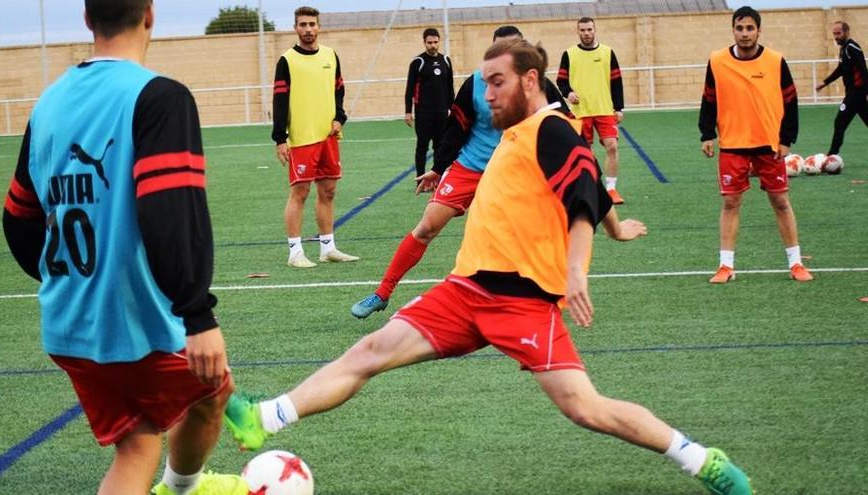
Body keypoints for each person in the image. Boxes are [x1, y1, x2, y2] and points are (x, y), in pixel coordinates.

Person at [225, 39, 752, 495]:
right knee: (370, 351)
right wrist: (617, 227)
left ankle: (702, 460)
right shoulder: (520, 133)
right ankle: (264, 417)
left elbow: (584, 191)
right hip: (464, 292)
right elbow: (588, 188)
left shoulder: (551, 128)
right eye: (484, 83)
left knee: (586, 408)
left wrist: (578, 268)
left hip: (522, 303)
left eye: (497, 83)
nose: (488, 94)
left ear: (530, 79)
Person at [1, 1, 245, 494]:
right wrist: (197, 316)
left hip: (67, 325)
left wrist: (69, 280)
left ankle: (179, 487)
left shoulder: (48, 102)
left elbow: (18, 219)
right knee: (211, 395)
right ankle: (181, 488)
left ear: (88, 20)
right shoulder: (159, 98)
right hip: (131, 327)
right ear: (150, 15)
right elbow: (171, 214)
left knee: (137, 442)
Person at [350, 26, 608, 319]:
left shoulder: (538, 86)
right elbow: (456, 129)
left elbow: (564, 130)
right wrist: (437, 168)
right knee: (426, 227)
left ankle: (532, 302)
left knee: (524, 236)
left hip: (515, 176)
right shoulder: (476, 83)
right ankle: (382, 293)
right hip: (470, 167)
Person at [699, 6, 813, 284]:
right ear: (733, 30)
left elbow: (791, 101)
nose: (745, 33)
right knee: (730, 203)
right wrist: (706, 133)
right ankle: (726, 266)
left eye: (750, 28)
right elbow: (709, 98)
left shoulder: (775, 60)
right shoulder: (717, 60)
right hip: (733, 143)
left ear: (759, 31)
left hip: (769, 144)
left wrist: (786, 139)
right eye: (740, 28)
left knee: (781, 202)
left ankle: (796, 263)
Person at [273, 6, 358, 268]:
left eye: (312, 24)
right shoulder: (287, 60)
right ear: (295, 28)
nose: (308, 29)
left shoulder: (331, 56)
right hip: (301, 138)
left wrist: (339, 118)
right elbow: (279, 100)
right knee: (300, 192)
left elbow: (339, 91)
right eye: (303, 25)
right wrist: (280, 138)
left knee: (329, 192)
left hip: (328, 136)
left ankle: (328, 248)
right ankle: (295, 252)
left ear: (318, 26)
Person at [556, 17, 626, 205]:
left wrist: (619, 108)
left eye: (589, 29)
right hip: (580, 112)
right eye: (583, 30)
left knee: (612, 146)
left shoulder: (608, 52)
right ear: (577, 32)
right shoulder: (569, 54)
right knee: (586, 152)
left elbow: (616, 81)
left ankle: (611, 189)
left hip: (604, 109)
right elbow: (561, 81)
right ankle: (593, 189)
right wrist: (568, 93)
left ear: (595, 30)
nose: (586, 33)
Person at [405, 27, 454, 178]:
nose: (433, 45)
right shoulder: (418, 62)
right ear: (424, 43)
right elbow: (410, 88)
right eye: (429, 42)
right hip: (423, 113)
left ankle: (437, 178)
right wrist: (408, 111)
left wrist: (453, 109)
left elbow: (449, 87)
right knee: (422, 147)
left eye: (435, 42)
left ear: (439, 41)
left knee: (440, 147)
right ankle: (420, 178)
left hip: (441, 113)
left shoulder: (445, 60)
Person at [815, 21, 868, 159]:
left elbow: (863, 70)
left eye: (838, 33)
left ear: (846, 32)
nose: (836, 36)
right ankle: (833, 153)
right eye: (834, 34)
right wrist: (824, 83)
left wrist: (865, 91)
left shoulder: (852, 48)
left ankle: (832, 155)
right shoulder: (844, 49)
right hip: (855, 94)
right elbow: (841, 70)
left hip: (856, 93)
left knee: (840, 122)